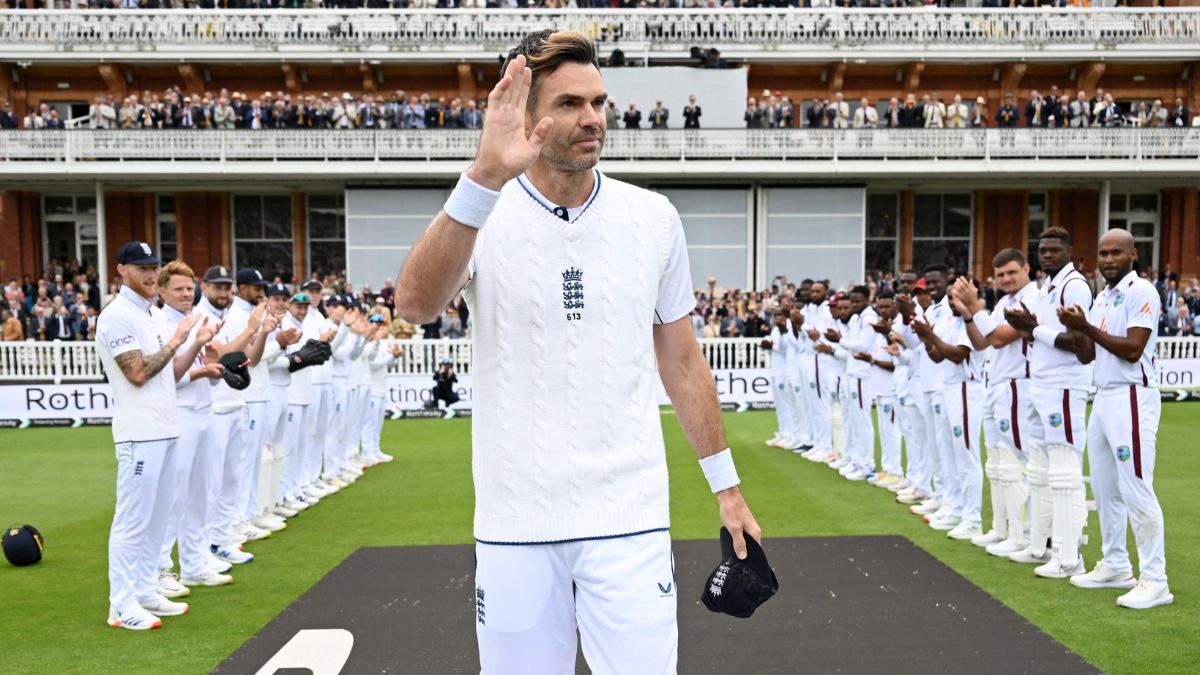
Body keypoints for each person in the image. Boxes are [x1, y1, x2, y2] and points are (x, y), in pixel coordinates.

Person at [394, 31, 760, 674]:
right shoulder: (481, 210)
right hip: (515, 520)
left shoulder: (652, 216)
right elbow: (415, 307)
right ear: (527, 116)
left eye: (598, 101)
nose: (593, 118)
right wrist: (481, 178)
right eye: (569, 103)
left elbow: (681, 362)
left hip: (629, 514)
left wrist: (727, 490)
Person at [1055, 229, 1172, 609]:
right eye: (1103, 252)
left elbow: (1134, 350)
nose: (1108, 259)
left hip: (1132, 397)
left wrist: (1086, 327)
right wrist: (1076, 328)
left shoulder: (1142, 292)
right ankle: (1116, 564)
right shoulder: (1103, 296)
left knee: (1136, 487)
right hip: (1103, 397)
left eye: (1116, 253)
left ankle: (1156, 580)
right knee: (1105, 489)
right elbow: (1089, 356)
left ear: (1133, 254)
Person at [96, 241, 198, 630]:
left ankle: (143, 590)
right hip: (140, 433)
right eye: (141, 267)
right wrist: (177, 340)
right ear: (122, 270)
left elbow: (167, 374)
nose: (151, 273)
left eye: (153, 266)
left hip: (166, 427)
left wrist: (190, 343)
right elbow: (137, 373)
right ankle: (120, 605)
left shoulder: (152, 313)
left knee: (159, 517)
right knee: (133, 520)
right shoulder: (118, 316)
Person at [1003, 227, 1093, 579]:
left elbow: (1080, 343)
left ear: (1070, 252)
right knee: (1039, 469)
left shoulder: (1075, 285)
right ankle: (1040, 546)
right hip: (1040, 383)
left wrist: (1033, 328)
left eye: (1055, 250)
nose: (1047, 255)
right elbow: (1040, 334)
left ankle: (1069, 557)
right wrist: (1027, 328)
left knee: (1064, 472)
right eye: (1042, 250)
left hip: (1064, 385)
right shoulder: (1047, 288)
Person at [950, 249, 1039, 558]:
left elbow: (1001, 337)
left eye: (1012, 272)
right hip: (997, 385)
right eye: (1000, 275)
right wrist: (967, 313)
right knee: (1000, 463)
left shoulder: (1033, 299)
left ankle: (1030, 533)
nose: (1006, 279)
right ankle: (1006, 528)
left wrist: (975, 306)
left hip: (1018, 385)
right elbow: (981, 341)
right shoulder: (1003, 302)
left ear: (1027, 268)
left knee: (1025, 460)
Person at [155, 260, 233, 595]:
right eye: (179, 289)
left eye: (189, 288)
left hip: (204, 410)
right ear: (162, 292)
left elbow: (208, 372)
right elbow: (166, 377)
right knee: (174, 497)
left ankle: (194, 563)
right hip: (179, 415)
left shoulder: (199, 320)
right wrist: (203, 369)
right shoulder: (160, 323)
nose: (186, 294)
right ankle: (160, 569)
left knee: (200, 494)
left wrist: (211, 365)